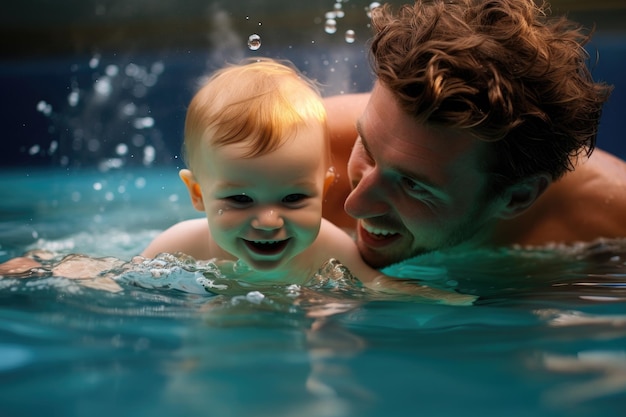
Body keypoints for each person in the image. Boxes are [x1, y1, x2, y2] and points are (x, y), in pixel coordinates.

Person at [319, 0, 626, 269]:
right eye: (368, 150)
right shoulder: (293, 158)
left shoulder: (611, 222)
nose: (355, 204)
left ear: (517, 197)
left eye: (413, 185)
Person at [140, 58, 474, 304]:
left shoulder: (327, 247)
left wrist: (437, 297)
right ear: (197, 194)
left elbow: (376, 284)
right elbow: (122, 279)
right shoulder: (182, 246)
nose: (269, 221)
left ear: (324, 189)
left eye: (293, 199)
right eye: (240, 199)